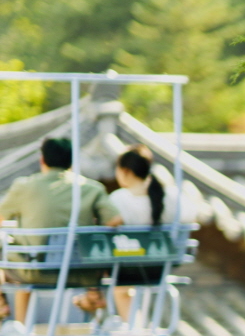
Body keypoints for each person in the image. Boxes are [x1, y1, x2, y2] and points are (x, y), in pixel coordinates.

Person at [0, 137, 122, 322]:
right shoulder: (91, 188)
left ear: (43, 159)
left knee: (15, 259)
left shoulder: (24, 186)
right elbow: (115, 220)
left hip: (34, 271)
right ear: (71, 161)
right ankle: (92, 301)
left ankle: (13, 318)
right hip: (82, 272)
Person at [90, 145, 196, 319]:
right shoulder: (171, 196)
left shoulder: (119, 199)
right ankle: (136, 324)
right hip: (161, 266)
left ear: (125, 171)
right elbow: (189, 218)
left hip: (126, 269)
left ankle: (132, 324)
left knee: (119, 286)